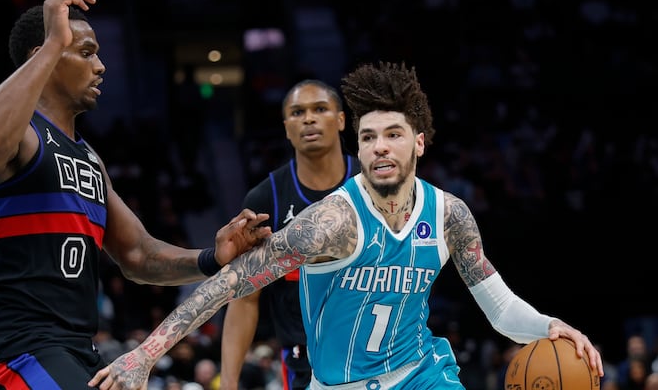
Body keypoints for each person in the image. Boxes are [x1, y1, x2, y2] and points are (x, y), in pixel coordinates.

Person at [89, 61, 604, 390]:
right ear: (357, 146)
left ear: (418, 143)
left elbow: (499, 308)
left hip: (421, 375)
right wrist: (144, 355)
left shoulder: (450, 215)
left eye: (393, 134)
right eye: (369, 137)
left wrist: (549, 326)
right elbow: (230, 283)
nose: (380, 146)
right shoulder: (331, 222)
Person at [0, 0, 270, 390]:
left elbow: (138, 254)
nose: (101, 66)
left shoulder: (88, 157)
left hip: (75, 347)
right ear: (44, 56)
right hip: (16, 346)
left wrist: (211, 258)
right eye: (86, 52)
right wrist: (53, 44)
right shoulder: (23, 138)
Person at [220, 79, 360, 390]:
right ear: (286, 128)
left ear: (341, 120)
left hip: (380, 351)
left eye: (320, 109)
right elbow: (245, 299)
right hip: (304, 362)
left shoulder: (373, 183)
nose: (308, 119)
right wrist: (227, 383)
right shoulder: (264, 199)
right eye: (297, 112)